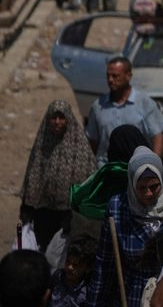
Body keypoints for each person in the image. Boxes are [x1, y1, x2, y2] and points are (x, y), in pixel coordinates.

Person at [90, 147, 163, 307]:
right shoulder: (118, 207)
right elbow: (105, 263)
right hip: (134, 297)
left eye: (154, 187)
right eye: (141, 188)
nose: (148, 194)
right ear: (132, 184)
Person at [19, 100, 96, 251]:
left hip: (69, 215)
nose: (57, 122)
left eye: (61, 118)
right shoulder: (42, 144)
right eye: (53, 118)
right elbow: (33, 175)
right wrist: (27, 207)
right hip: (44, 212)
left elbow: (88, 178)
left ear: (68, 119)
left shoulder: (80, 147)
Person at [85, 55, 163, 163]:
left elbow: (157, 137)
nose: (110, 80)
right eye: (108, 76)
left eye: (115, 76)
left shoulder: (144, 103)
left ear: (128, 76)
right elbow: (93, 140)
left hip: (137, 167)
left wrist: (154, 164)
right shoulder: (98, 106)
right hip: (107, 168)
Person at [49, 235, 97, 307]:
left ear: (88, 268)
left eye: (76, 265)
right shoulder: (55, 277)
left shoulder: (87, 291)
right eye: (68, 261)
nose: (70, 267)